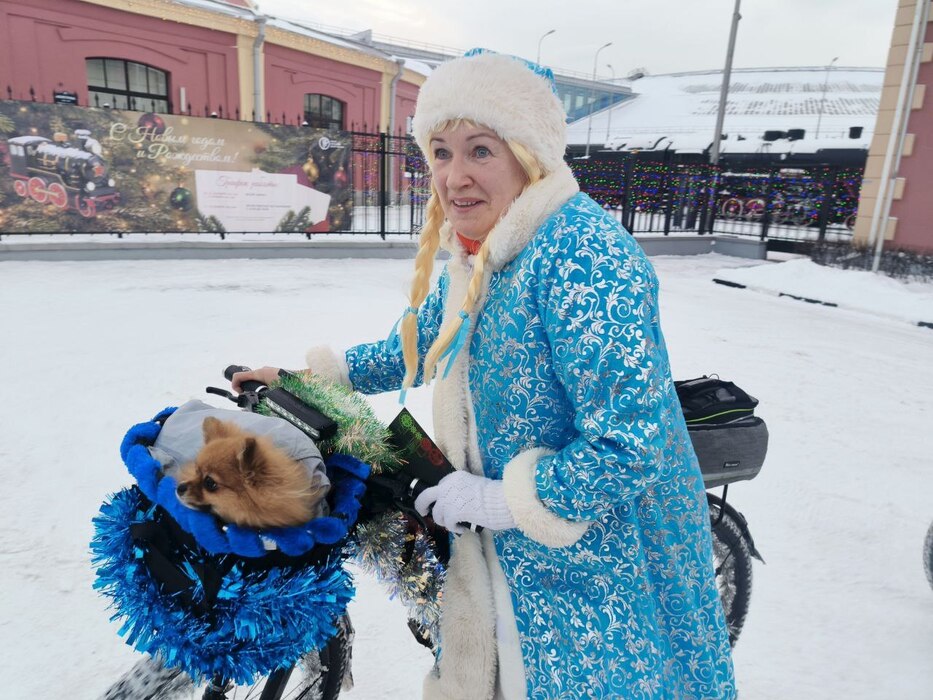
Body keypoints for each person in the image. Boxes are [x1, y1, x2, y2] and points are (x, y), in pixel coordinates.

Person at [234, 49, 735, 700]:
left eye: (479, 150)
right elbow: (412, 350)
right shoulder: (478, 253)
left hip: (594, 579)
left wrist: (498, 501)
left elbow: (629, 445)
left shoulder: (583, 254)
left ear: (527, 155)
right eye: (440, 152)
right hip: (500, 561)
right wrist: (308, 378)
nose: (453, 176)